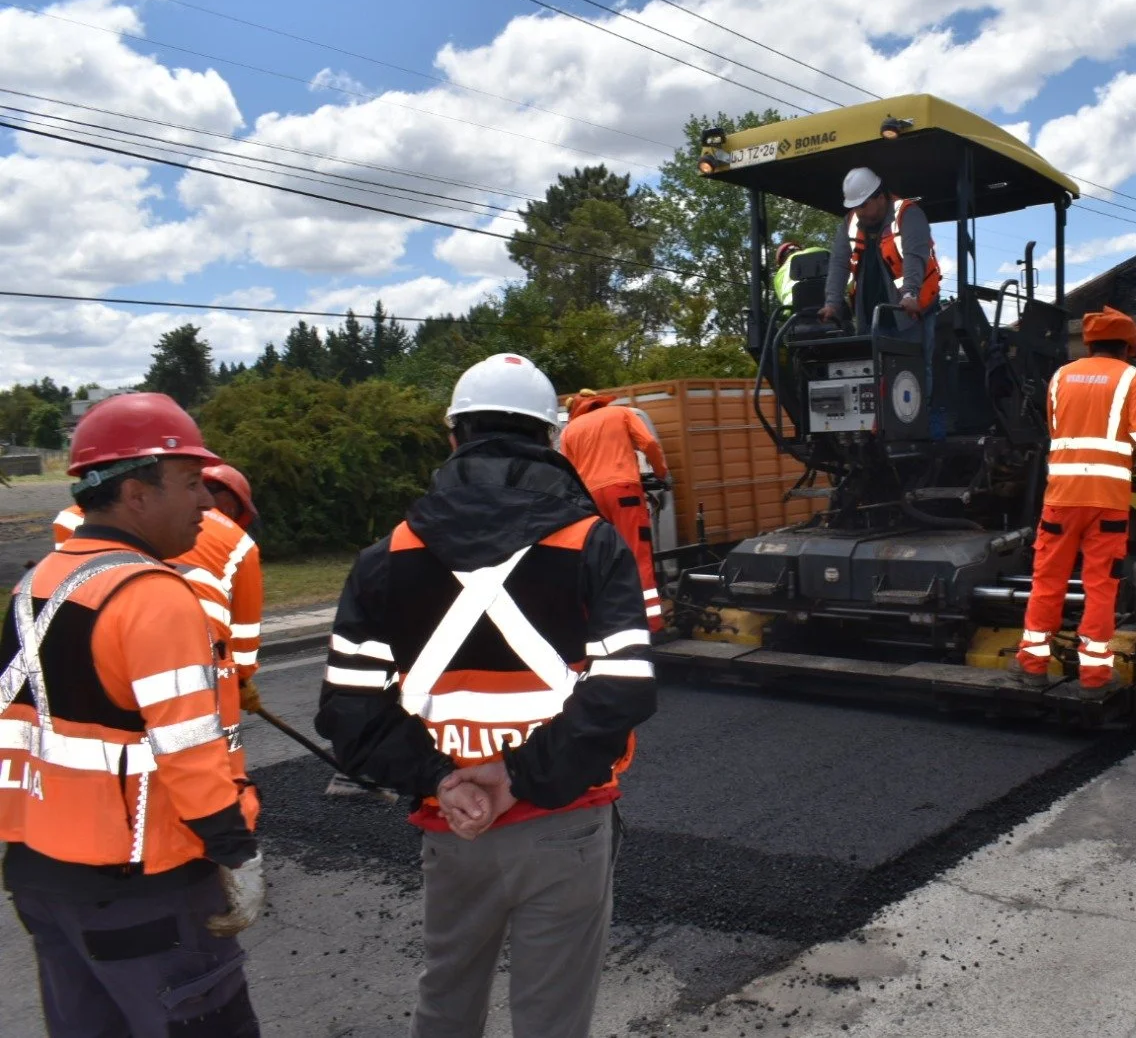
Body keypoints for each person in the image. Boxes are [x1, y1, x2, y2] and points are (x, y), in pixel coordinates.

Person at [314, 353, 657, 1038]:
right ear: (552, 440)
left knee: (446, 1002)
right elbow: (624, 689)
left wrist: (445, 780)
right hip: (565, 823)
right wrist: (516, 777)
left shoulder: (388, 556)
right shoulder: (592, 544)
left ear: (453, 439)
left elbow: (347, 712)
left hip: (454, 824)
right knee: (551, 1020)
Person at [2, 392, 264, 1037]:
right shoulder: (152, 594)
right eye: (189, 483)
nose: (207, 501)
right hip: (143, 882)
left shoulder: (35, 584)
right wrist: (236, 850)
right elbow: (190, 748)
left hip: (40, 875)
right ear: (135, 496)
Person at [1013, 308, 1136, 694]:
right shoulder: (1132, 378)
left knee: (1048, 582)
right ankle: (1094, 678)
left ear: (1089, 343)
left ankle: (1033, 666)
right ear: (1127, 347)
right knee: (1100, 587)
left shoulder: (1061, 376)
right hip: (1107, 502)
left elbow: (1060, 431)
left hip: (1061, 499)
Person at [54, 462, 265, 728]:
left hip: (100, 662)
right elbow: (244, 639)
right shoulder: (240, 545)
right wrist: (241, 681)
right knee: (209, 750)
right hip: (202, 670)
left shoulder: (74, 517)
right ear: (233, 506)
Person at [561, 389, 671, 632]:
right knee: (636, 554)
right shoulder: (620, 413)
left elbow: (567, 470)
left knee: (600, 559)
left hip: (589, 499)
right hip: (623, 492)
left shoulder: (570, 430)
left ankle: (605, 621)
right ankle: (651, 624)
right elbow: (649, 443)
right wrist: (661, 473)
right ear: (599, 401)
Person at [819, 166, 941, 332]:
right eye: (854, 206)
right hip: (871, 318)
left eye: (862, 205)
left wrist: (910, 294)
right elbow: (839, 263)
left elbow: (915, 255)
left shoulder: (908, 214)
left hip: (911, 315)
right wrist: (832, 304)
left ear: (881, 197)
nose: (858, 211)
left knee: (915, 357)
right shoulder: (850, 222)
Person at [772, 240, 829, 311]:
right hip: (831, 306)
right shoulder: (817, 251)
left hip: (796, 312)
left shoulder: (778, 277)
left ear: (781, 262)